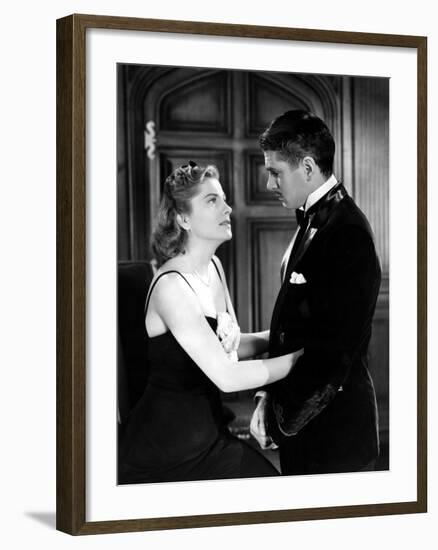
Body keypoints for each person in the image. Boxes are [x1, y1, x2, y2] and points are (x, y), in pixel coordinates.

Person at [119, 161, 303, 484]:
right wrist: (300, 360)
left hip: (209, 433)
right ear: (183, 218)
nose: (228, 208)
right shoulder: (171, 286)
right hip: (167, 450)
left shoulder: (214, 267)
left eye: (224, 198)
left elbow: (228, 349)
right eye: (212, 200)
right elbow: (227, 376)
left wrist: (280, 338)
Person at [250, 110, 381, 475]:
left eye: (275, 172)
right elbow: (294, 329)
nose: (268, 183)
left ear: (308, 168)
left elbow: (330, 358)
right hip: (305, 420)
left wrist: (278, 421)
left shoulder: (348, 233)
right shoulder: (311, 217)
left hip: (335, 433)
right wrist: (266, 395)